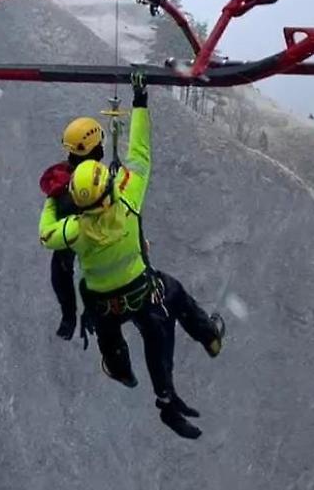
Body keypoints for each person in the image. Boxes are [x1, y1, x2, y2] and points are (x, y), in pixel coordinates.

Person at [38, 73, 225, 440]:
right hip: (142, 291)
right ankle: (197, 352)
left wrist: (52, 199)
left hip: (103, 306)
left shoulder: (74, 228)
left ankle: (119, 366)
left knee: (113, 340)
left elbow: (47, 237)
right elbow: (140, 152)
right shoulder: (127, 196)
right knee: (170, 307)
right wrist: (140, 101)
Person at [38, 116, 106, 340]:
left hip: (67, 236)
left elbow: (50, 238)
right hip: (90, 239)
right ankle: (90, 314)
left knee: (62, 267)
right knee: (93, 272)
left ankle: (70, 317)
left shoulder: (60, 182)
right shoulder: (91, 181)